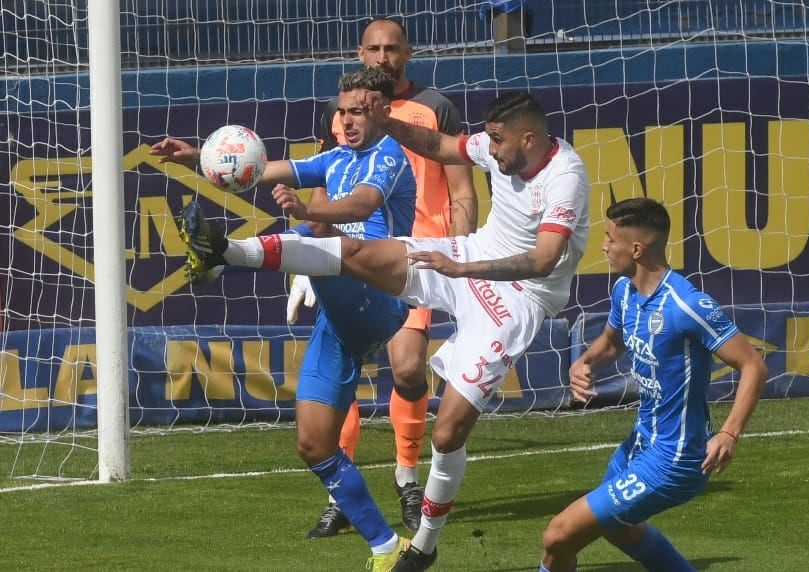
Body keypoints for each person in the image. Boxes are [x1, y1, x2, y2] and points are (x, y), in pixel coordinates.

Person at [175, 90, 590, 571]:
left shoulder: (565, 178)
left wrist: (462, 267)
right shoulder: (354, 154)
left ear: (530, 138)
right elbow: (440, 146)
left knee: (450, 431)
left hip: (516, 298)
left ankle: (424, 545)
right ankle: (223, 252)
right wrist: (389, 121)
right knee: (351, 254)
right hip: (466, 257)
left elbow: (542, 261)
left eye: (497, 141)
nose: (489, 150)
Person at [152, 67, 417, 572]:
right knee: (314, 443)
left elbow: (364, 202)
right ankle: (387, 549)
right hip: (339, 321)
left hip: (378, 293)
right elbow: (267, 169)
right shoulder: (335, 158)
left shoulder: (390, 157)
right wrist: (201, 160)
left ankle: (223, 251)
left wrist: (309, 208)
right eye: (343, 111)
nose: (347, 121)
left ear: (383, 111)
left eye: (359, 111)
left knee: (322, 240)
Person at [295, 16, 478, 539]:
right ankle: (340, 494)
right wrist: (309, 250)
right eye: (373, 48)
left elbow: (461, 187)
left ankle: (405, 475)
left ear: (408, 52)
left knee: (406, 369)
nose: (382, 57)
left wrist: (459, 248)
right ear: (360, 52)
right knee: (343, 374)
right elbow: (326, 183)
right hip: (349, 258)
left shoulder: (436, 108)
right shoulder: (345, 111)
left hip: (412, 262)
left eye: (391, 48)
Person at [539, 197, 768, 572]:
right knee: (617, 529)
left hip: (676, 459)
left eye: (610, 238)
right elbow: (613, 341)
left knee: (558, 535)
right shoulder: (625, 292)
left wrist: (729, 433)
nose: (604, 246)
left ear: (636, 249)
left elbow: (753, 365)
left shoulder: (687, 305)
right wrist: (585, 361)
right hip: (641, 445)